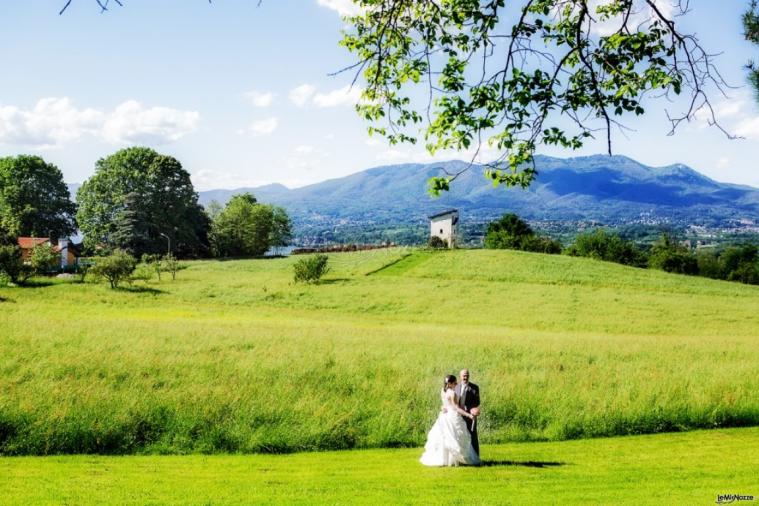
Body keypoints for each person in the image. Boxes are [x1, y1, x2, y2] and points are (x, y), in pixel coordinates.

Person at [420, 374, 481, 466]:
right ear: (451, 383)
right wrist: (468, 415)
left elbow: (445, 404)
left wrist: (443, 408)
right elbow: (456, 408)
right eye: (455, 382)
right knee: (453, 437)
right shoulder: (452, 393)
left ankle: (445, 460)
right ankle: (456, 460)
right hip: (452, 416)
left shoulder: (443, 391)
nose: (457, 384)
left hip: (445, 416)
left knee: (445, 438)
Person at [455, 368, 480, 456]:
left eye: (467, 375)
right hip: (458, 415)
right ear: (460, 376)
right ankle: (462, 457)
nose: (465, 377)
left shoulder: (475, 387)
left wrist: (472, 410)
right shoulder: (456, 386)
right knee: (459, 436)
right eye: (464, 375)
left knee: (472, 436)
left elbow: (477, 402)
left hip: (470, 414)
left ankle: (475, 457)